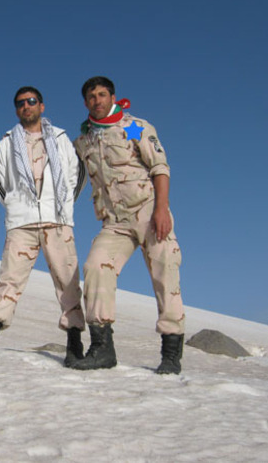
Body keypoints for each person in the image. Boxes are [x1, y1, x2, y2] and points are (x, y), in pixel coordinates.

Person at [71, 76, 185, 374]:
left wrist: (162, 209)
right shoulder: (83, 140)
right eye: (91, 96)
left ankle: (171, 355)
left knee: (165, 273)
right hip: (114, 222)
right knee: (96, 267)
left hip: (148, 213)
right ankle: (102, 349)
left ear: (113, 97)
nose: (97, 100)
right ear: (85, 102)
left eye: (102, 94)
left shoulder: (134, 126)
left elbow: (160, 167)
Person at [0, 86, 87, 367]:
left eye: (32, 101)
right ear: (16, 110)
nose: (26, 106)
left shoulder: (60, 137)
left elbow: (76, 173)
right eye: (21, 103)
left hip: (57, 220)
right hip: (22, 222)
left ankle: (74, 343)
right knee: (9, 279)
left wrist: (63, 203)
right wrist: (14, 205)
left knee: (68, 281)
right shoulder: (7, 142)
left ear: (41, 106)